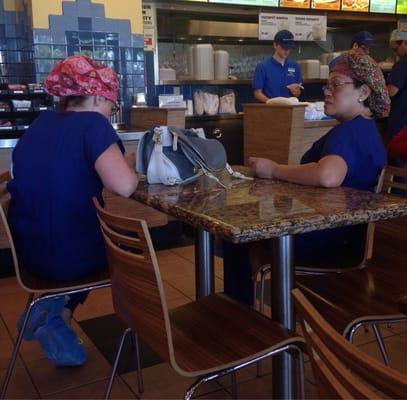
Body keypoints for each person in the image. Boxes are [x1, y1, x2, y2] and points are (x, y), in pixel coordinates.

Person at [224, 50, 390, 306]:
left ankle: (239, 326)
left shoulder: (350, 131)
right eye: (327, 84)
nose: (326, 91)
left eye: (336, 85)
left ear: (364, 93)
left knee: (237, 237)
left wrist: (275, 169)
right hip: (343, 237)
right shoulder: (366, 130)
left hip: (325, 239)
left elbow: (328, 175)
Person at [7, 55, 139, 367]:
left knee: (97, 238)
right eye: (111, 102)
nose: (110, 110)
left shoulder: (42, 122)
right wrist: (130, 166)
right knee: (122, 247)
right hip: (67, 255)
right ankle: (55, 309)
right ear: (95, 96)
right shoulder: (93, 125)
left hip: (30, 252)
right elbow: (125, 186)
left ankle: (56, 317)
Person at [252, 30, 303, 103]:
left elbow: (298, 93)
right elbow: (257, 93)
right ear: (275, 45)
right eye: (284, 48)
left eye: (289, 48)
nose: (287, 51)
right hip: (270, 110)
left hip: (290, 109)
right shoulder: (262, 67)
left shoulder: (295, 66)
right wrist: (271, 102)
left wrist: (296, 92)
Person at [387, 30, 407, 140]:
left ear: (404, 42)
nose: (396, 54)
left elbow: (391, 91)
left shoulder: (403, 63)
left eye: (396, 49)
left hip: (402, 119)